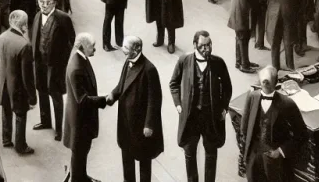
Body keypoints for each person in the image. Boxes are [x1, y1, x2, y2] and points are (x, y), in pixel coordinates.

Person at [169, 31, 232, 182]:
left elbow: (227, 87)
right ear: (195, 45)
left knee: (211, 153)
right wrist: (178, 104)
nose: (207, 49)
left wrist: (224, 108)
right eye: (203, 46)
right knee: (189, 152)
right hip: (191, 116)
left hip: (211, 116)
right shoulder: (184, 60)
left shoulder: (218, 63)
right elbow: (173, 84)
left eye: (209, 45)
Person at [107, 36, 163, 182]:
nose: (122, 50)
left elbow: (155, 100)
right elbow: (121, 85)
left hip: (141, 126)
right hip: (126, 122)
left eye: (125, 48)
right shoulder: (128, 62)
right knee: (127, 158)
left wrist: (149, 124)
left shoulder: (149, 69)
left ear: (136, 49)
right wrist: (113, 94)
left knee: (144, 161)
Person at [239, 66, 307, 182]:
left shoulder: (287, 104)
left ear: (276, 83)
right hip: (254, 158)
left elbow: (302, 134)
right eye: (263, 81)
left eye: (268, 82)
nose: (265, 83)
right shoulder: (252, 97)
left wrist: (281, 151)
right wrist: (244, 158)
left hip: (276, 162)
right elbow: (244, 129)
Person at [30, 0, 75, 142]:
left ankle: (59, 129)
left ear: (54, 3)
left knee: (55, 95)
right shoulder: (37, 16)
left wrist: (63, 61)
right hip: (40, 63)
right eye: (41, 2)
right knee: (41, 91)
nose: (44, 6)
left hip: (55, 65)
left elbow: (71, 40)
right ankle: (45, 121)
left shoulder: (63, 19)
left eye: (48, 3)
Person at [62, 33, 108, 182]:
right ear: (82, 46)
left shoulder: (79, 57)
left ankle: (81, 176)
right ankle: (77, 178)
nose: (94, 49)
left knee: (82, 152)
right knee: (79, 152)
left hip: (80, 119)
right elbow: (82, 100)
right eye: (92, 46)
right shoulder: (76, 67)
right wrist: (103, 100)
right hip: (80, 121)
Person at [0, 10, 36, 155]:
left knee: (6, 111)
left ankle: (6, 139)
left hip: (3, 83)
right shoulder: (25, 45)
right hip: (17, 88)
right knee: (20, 115)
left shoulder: (2, 37)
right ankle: (21, 146)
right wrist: (32, 97)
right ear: (24, 25)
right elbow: (27, 76)